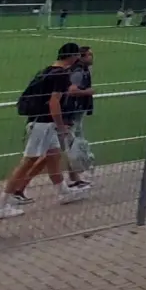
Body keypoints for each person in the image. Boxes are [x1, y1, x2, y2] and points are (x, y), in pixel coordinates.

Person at [0, 43, 89, 221]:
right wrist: (60, 126)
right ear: (72, 57)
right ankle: (0, 205)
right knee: (28, 161)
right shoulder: (62, 74)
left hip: (40, 122)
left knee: (54, 156)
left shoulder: (46, 71)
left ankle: (63, 191)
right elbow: (54, 102)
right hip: (43, 124)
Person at [60, 45, 95, 190]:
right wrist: (88, 92)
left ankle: (75, 178)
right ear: (81, 57)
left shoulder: (82, 70)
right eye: (89, 55)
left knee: (72, 145)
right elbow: (72, 90)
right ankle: (73, 179)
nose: (92, 57)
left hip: (76, 113)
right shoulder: (79, 71)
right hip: (71, 114)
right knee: (69, 146)